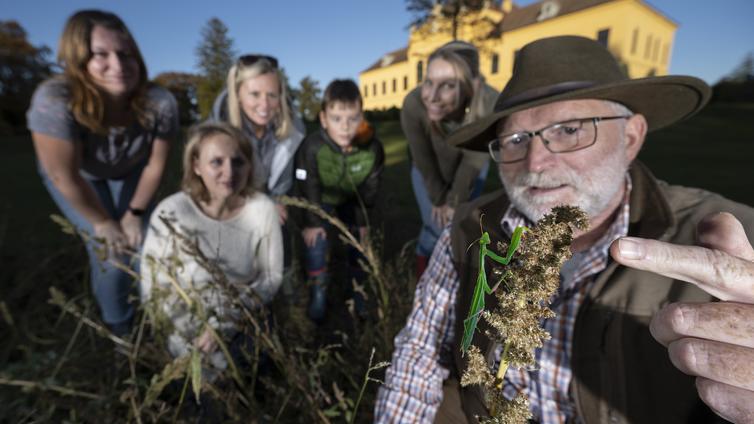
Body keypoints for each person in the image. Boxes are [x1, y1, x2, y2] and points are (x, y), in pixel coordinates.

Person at [375, 35, 754, 424]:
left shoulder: (731, 243)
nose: (536, 162)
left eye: (570, 129)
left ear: (631, 136)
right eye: (515, 139)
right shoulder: (469, 228)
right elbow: (418, 354)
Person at [26, 10, 178, 336]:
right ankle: (120, 331)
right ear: (78, 59)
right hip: (79, 178)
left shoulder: (159, 102)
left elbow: (156, 163)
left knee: (148, 249)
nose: (118, 66)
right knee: (112, 256)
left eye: (125, 54)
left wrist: (135, 213)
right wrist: (104, 222)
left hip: (134, 171)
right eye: (100, 55)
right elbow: (62, 175)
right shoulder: (53, 102)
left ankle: (157, 324)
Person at [140, 122, 282, 380]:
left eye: (238, 162)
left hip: (243, 318)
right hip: (186, 329)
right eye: (216, 162)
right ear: (196, 166)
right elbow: (154, 287)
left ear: (249, 166)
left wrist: (225, 324)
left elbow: (270, 279)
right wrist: (187, 342)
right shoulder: (171, 212)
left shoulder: (262, 210)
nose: (228, 172)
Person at [402, 41, 498, 278]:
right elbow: (421, 156)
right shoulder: (413, 104)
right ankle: (427, 277)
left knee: (459, 223)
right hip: (428, 168)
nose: (431, 97)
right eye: (429, 82)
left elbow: (474, 160)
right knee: (437, 225)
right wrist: (437, 199)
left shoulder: (487, 104)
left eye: (447, 85)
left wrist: (455, 200)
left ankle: (450, 277)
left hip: (469, 169)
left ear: (471, 87)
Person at [293, 79, 384, 322]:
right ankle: (318, 293)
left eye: (352, 118)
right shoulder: (312, 147)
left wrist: (363, 222)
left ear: (361, 116)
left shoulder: (372, 149)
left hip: (352, 201)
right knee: (317, 242)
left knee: (359, 244)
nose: (345, 127)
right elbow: (306, 183)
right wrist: (312, 221)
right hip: (320, 198)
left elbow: (370, 190)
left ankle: (358, 293)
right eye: (336, 119)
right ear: (323, 119)